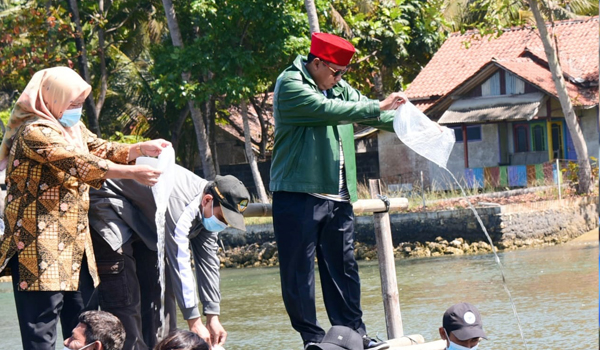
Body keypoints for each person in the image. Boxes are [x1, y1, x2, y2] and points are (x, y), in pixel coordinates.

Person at [0, 67, 170, 350]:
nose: (77, 110)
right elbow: (80, 163)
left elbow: (98, 148)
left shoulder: (70, 128)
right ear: (52, 98)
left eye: (80, 104)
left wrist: (139, 148)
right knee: (41, 334)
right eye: (73, 104)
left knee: (84, 330)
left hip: (75, 250)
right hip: (38, 252)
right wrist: (133, 173)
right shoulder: (35, 132)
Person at [270, 32, 407, 349]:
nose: (340, 79)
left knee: (344, 269)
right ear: (316, 63)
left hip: (339, 196)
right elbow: (327, 110)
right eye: (336, 72)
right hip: (299, 193)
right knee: (299, 272)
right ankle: (313, 338)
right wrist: (375, 105)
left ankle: (353, 335)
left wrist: (409, 122)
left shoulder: (336, 87)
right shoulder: (291, 84)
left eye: (343, 73)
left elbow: (367, 110)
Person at [88, 166, 250, 350]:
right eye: (223, 217)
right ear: (207, 200)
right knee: (126, 294)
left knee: (159, 296)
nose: (223, 224)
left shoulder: (208, 210)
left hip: (143, 215)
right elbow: (180, 260)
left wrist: (213, 316)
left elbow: (208, 262)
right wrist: (194, 321)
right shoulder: (181, 205)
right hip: (109, 202)